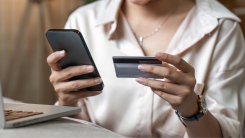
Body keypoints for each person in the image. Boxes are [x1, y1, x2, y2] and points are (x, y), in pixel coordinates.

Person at [47, 0, 245, 137]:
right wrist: (67, 102)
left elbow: (226, 134)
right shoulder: (84, 21)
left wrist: (191, 110)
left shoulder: (221, 28)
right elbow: (82, 125)